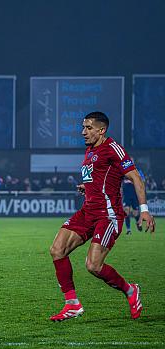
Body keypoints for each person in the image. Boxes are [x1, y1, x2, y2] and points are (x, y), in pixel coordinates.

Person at [49, 112, 156, 322]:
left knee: (93, 266)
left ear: (101, 129)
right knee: (57, 250)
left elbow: (136, 178)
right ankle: (72, 304)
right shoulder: (90, 150)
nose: (83, 132)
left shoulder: (113, 148)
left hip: (107, 215)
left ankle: (130, 290)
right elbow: (99, 177)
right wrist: (87, 187)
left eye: (88, 128)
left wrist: (144, 209)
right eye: (83, 127)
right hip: (87, 211)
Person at [122, 160, 145, 234]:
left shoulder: (137, 170)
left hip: (135, 194)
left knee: (135, 213)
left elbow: (142, 179)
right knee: (126, 211)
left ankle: (138, 223)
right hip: (126, 194)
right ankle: (128, 230)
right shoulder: (123, 170)